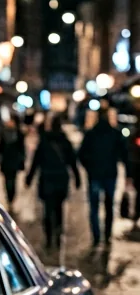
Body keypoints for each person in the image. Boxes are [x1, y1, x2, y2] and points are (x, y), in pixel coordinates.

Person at [25, 113, 81, 249]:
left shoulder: (44, 140)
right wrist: (77, 177)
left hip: (47, 178)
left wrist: (29, 178)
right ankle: (58, 234)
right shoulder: (65, 141)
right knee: (59, 209)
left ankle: (49, 237)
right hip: (61, 178)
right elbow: (72, 161)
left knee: (48, 209)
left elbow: (36, 161)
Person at [78, 105, 126, 248]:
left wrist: (89, 168)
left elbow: (81, 154)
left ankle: (97, 237)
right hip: (110, 174)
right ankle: (107, 235)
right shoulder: (115, 134)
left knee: (94, 206)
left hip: (95, 175)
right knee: (109, 205)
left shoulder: (91, 134)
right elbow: (124, 154)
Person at [0, 114, 26, 208]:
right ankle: (9, 198)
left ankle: (11, 198)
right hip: (5, 160)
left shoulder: (19, 134)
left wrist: (22, 160)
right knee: (6, 181)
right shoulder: (3, 132)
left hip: (14, 160)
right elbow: (0, 147)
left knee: (12, 181)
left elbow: (22, 149)